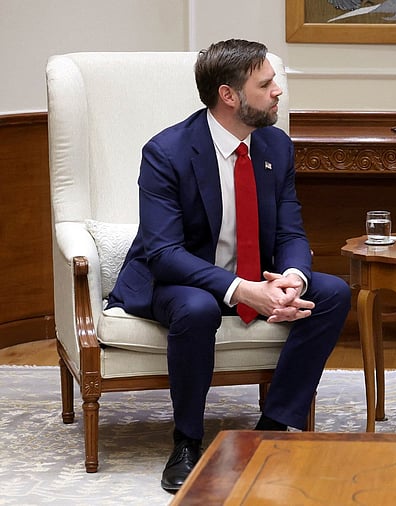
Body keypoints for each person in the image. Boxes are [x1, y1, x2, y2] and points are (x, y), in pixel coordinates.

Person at [107, 39, 351, 493]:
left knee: (333, 292)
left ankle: (273, 427)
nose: (277, 91)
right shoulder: (167, 152)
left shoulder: (275, 145)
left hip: (254, 273)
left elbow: (290, 232)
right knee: (198, 308)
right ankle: (186, 441)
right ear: (229, 96)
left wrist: (293, 279)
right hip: (178, 278)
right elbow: (164, 253)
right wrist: (243, 290)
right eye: (266, 83)